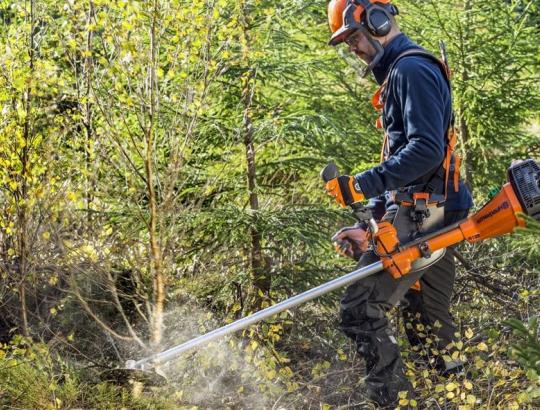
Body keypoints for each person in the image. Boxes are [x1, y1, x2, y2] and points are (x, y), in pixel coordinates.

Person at [325, 0, 474, 407]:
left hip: (429, 212)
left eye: (353, 37)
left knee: (359, 308)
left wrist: (359, 184)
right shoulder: (400, 73)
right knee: (426, 314)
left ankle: (396, 403)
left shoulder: (410, 69)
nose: (352, 47)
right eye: (346, 41)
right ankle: (457, 399)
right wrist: (371, 218)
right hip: (428, 208)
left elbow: (425, 151)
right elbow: (404, 161)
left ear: (377, 21)